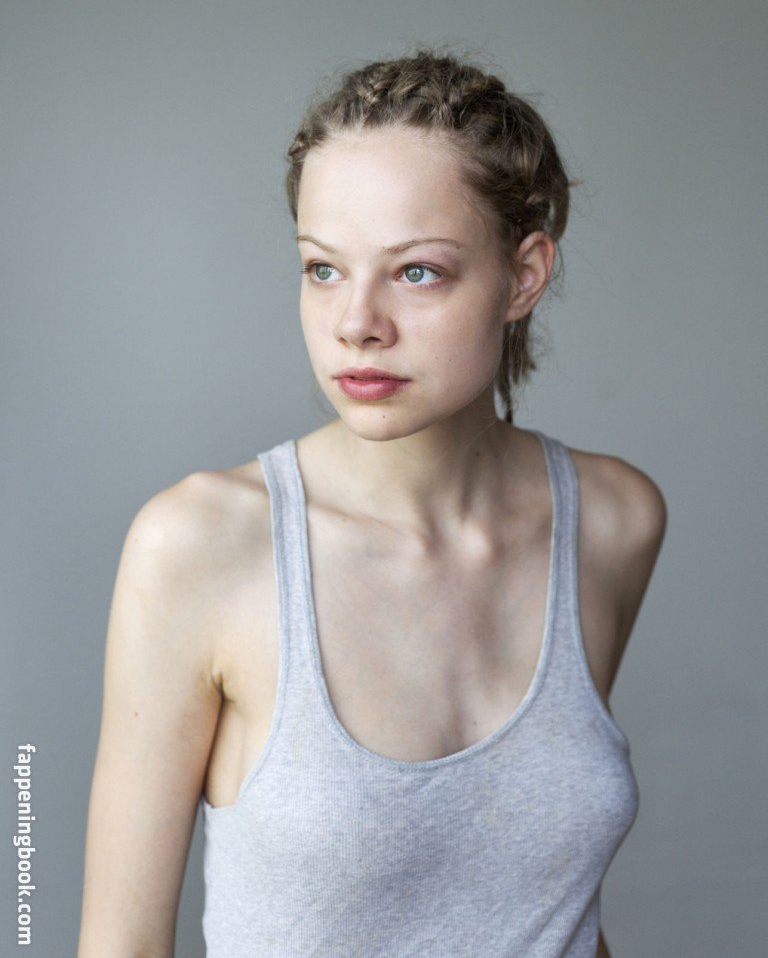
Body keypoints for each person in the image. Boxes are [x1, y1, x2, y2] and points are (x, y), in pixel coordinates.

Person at [77, 47, 667, 958]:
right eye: (323, 269)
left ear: (524, 276)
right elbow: (120, 946)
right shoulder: (200, 546)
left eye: (416, 271)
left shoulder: (613, 520)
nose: (357, 323)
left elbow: (541, 902)